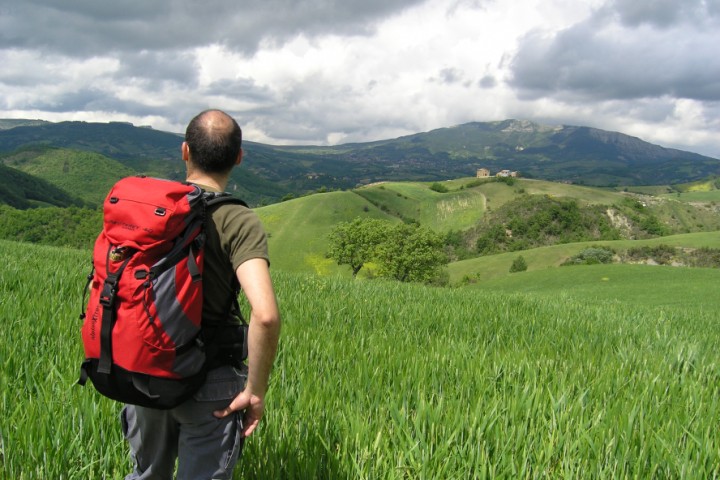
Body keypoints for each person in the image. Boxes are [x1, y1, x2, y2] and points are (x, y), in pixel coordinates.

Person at [120, 109, 281, 479]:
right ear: (239, 157)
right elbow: (266, 314)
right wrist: (255, 390)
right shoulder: (239, 220)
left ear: (184, 151)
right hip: (210, 376)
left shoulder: (151, 211)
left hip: (146, 368)